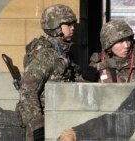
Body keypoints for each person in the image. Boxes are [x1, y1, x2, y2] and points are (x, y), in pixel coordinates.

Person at [16, 4, 99, 141]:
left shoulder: (62, 52)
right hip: (45, 123)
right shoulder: (45, 55)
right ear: (55, 26)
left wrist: (84, 78)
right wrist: (37, 126)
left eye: (73, 24)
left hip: (59, 119)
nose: (73, 28)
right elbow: (27, 91)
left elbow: (65, 82)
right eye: (68, 24)